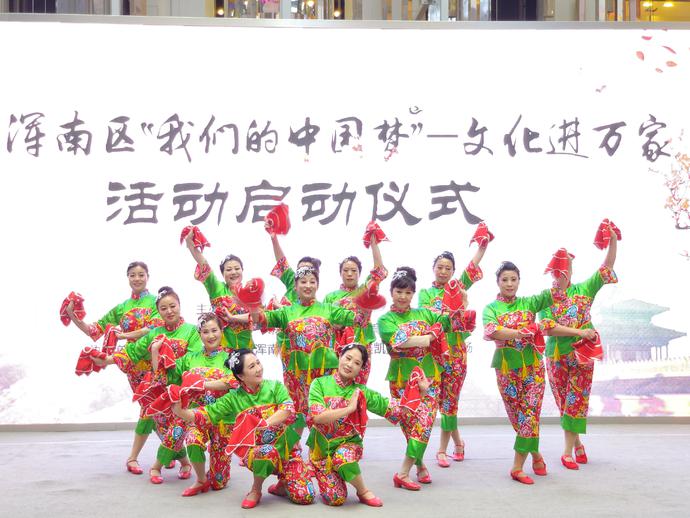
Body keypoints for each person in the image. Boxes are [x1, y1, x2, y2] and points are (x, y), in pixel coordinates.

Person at [233, 266, 370, 437]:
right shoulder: (286, 312)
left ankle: (327, 449)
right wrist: (253, 305)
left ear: (317, 285)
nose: (308, 285)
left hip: (324, 374)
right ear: (296, 287)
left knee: (324, 414)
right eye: (303, 282)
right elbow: (260, 320)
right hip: (296, 376)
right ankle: (293, 450)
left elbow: (359, 320)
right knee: (295, 414)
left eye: (312, 282)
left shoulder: (329, 309)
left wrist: (368, 303)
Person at [172, 349, 316, 509]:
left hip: (287, 450)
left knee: (305, 496)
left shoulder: (275, 387)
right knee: (267, 451)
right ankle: (256, 490)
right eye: (252, 366)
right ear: (241, 376)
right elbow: (207, 414)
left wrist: (264, 423)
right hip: (257, 452)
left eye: (258, 363)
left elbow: (287, 409)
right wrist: (181, 412)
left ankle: (282, 483)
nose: (259, 368)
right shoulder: (233, 398)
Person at [377, 266, 473, 488]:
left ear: (413, 294)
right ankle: (419, 464)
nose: (403, 297)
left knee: (425, 424)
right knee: (410, 426)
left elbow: (450, 321)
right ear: (391, 292)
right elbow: (400, 341)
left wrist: (462, 303)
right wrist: (428, 337)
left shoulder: (425, 313)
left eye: (408, 292)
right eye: (399, 292)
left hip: (429, 378)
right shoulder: (385, 320)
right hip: (402, 380)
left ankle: (403, 472)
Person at [94, 286, 202, 483]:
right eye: (163, 308)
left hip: (182, 392)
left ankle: (160, 466)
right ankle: (181, 463)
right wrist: (105, 360)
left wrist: (166, 362)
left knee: (175, 430)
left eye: (172, 306)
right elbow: (132, 352)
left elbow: (193, 360)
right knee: (159, 425)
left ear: (179, 305)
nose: (169, 311)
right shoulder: (154, 333)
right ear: (158, 311)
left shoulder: (192, 331)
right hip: (158, 390)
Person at [64, 260, 162, 475]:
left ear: (148, 276)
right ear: (128, 278)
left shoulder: (157, 302)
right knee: (151, 408)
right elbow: (94, 330)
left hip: (155, 364)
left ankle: (148, 455)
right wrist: (72, 315)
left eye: (141, 274)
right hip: (132, 365)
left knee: (154, 408)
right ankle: (168, 453)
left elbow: (152, 330)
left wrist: (123, 335)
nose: (137, 278)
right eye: (132, 275)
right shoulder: (122, 308)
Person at [483, 261, 576, 485]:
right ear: (498, 282)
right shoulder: (490, 309)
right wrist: (520, 333)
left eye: (513, 279)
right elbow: (492, 330)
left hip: (533, 368)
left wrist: (565, 264)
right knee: (517, 417)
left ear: (519, 281)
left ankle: (517, 467)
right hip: (506, 369)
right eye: (505, 279)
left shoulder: (530, 303)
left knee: (530, 414)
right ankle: (535, 454)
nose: (509, 284)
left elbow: (558, 289)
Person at [307, 343, 433, 506]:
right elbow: (318, 417)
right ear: (340, 357)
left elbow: (396, 411)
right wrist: (349, 409)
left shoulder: (362, 392)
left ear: (361, 369)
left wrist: (420, 392)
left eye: (357, 363)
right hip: (321, 452)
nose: (350, 365)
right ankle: (331, 473)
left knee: (343, 457)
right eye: (348, 358)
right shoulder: (319, 384)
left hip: (347, 446)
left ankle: (363, 491)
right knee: (335, 499)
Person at [539, 229, 618, 470]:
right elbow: (548, 328)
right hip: (556, 356)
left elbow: (606, 267)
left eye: (563, 272)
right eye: (555, 272)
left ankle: (566, 453)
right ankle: (578, 444)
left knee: (576, 401)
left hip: (582, 355)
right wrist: (579, 332)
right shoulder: (546, 298)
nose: (558, 277)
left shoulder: (583, 290)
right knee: (564, 403)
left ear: (571, 272)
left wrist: (613, 240)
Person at [417, 244, 487, 467]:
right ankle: (458, 442)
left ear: (454, 271)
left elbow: (472, 267)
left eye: (448, 268)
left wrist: (482, 246)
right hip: (433, 354)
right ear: (433, 268)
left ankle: (441, 450)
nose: (443, 271)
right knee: (436, 402)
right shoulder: (425, 294)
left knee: (450, 402)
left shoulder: (458, 287)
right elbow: (426, 317)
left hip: (456, 353)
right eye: (440, 267)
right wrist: (454, 310)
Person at [165, 313, 239, 495]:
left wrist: (201, 384)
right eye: (205, 332)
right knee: (192, 439)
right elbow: (169, 373)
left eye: (214, 330)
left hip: (223, 419)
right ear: (199, 334)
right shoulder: (190, 358)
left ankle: (216, 473)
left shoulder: (231, 358)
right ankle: (200, 480)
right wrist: (158, 352)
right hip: (197, 416)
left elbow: (232, 381)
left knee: (219, 482)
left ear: (221, 331)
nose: (211, 335)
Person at [322, 234, 387, 384]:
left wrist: (373, 244)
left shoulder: (365, 290)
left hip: (361, 344)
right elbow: (324, 323)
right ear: (340, 273)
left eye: (354, 270)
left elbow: (379, 271)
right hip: (337, 347)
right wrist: (336, 325)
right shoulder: (330, 297)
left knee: (358, 387)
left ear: (359, 273)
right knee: (336, 387)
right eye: (345, 270)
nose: (350, 274)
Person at [183, 231, 252, 350]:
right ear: (222, 273)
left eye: (237, 268)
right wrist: (191, 245)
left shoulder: (250, 292)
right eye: (229, 270)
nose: (234, 272)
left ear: (242, 270)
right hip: (221, 350)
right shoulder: (216, 288)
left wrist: (233, 318)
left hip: (246, 350)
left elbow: (259, 317)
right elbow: (204, 265)